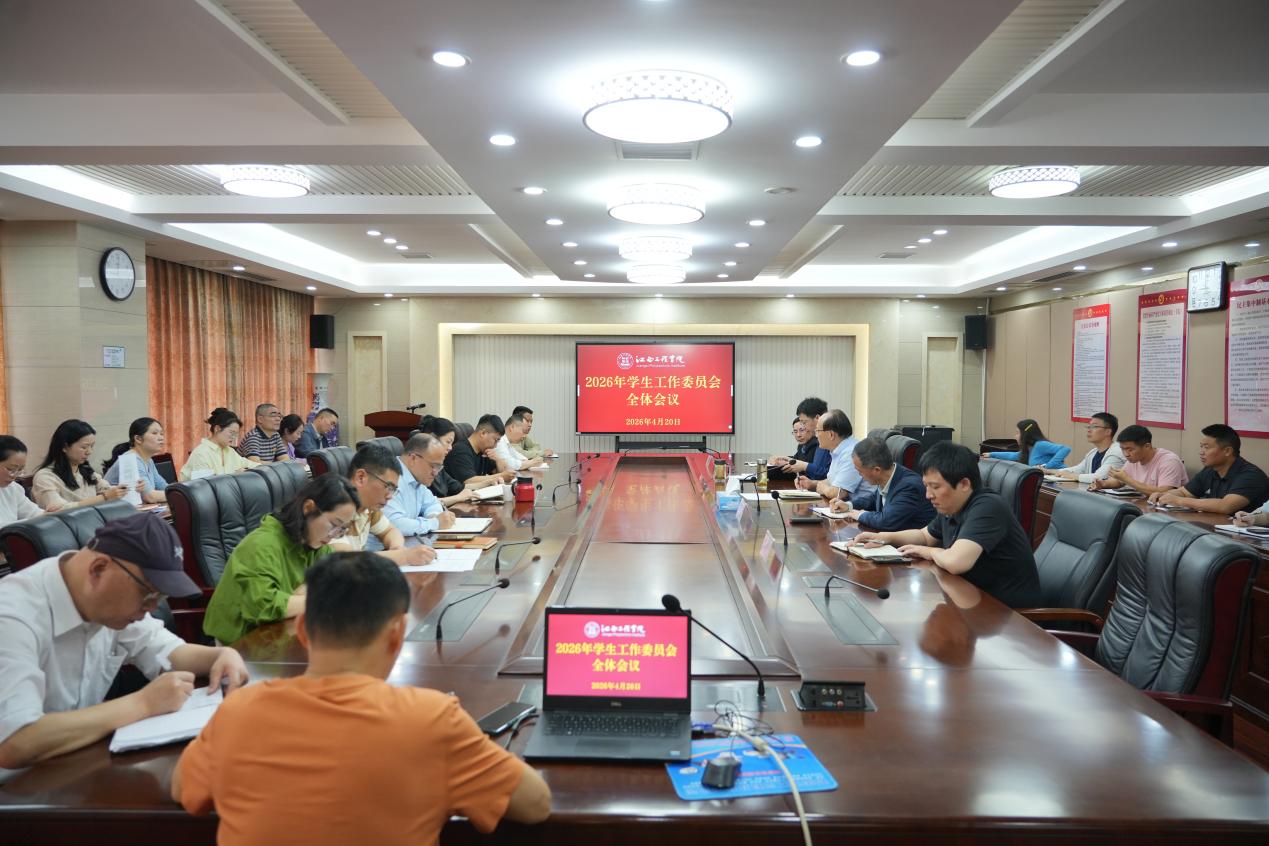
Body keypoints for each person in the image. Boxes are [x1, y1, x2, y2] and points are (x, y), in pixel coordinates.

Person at [172, 552, 551, 842]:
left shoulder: (238, 711)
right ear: (397, 633)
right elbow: (535, 805)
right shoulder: (431, 720)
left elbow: (183, 788)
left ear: (302, 630)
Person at [0, 513, 248, 770]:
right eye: (148, 593)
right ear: (98, 569)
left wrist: (221, 655)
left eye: (160, 597)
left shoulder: (104, 602)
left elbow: (169, 652)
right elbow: (15, 742)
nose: (152, 607)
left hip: (75, 763)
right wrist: (143, 703)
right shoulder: (12, 616)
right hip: (17, 783)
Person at [856, 442, 1043, 608]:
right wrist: (883, 537)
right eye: (926, 486)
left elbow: (956, 562)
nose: (928, 495)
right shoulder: (952, 505)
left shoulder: (988, 507)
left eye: (935, 487)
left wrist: (930, 552)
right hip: (972, 600)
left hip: (1008, 615)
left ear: (964, 484)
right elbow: (925, 536)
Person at [203, 474, 361, 644]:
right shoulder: (262, 545)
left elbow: (335, 574)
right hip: (241, 645)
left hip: (280, 637)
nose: (334, 535)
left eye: (341, 529)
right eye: (334, 524)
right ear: (309, 507)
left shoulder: (312, 543)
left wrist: (307, 591)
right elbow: (265, 607)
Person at [329, 444, 437, 567]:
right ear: (361, 477)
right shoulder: (333, 506)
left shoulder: (368, 509)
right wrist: (405, 556)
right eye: (388, 487)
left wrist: (397, 548)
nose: (390, 496)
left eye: (393, 490)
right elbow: (346, 559)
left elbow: (390, 531)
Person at [1151, 424, 1269, 515]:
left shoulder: (1251, 475)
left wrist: (1178, 501)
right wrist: (1164, 495)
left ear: (1227, 451)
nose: (1201, 452)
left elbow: (1225, 506)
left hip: (1249, 536)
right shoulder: (1210, 470)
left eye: (1206, 447)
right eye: (1201, 447)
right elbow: (1184, 492)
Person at [829, 437, 935, 530]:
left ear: (876, 470)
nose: (859, 475)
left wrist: (860, 515)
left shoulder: (909, 487)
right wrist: (848, 506)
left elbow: (887, 521)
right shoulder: (888, 476)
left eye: (860, 471)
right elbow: (873, 500)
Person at [32, 419, 130, 512]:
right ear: (65, 447)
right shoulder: (45, 477)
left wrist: (127, 489)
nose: (89, 452)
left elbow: (107, 489)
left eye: (91, 446)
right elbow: (58, 510)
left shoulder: (86, 471)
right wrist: (104, 497)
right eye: (84, 447)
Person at [385, 433, 458, 536]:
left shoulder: (416, 477)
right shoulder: (389, 478)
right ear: (413, 458)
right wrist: (435, 523)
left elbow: (432, 503)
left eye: (439, 467)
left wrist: (433, 515)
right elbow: (395, 525)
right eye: (433, 466)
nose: (435, 473)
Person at [796, 409, 874, 501]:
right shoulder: (838, 449)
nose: (816, 436)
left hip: (861, 506)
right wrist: (812, 484)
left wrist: (823, 488)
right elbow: (832, 481)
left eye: (818, 431)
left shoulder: (851, 453)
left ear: (831, 434)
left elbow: (838, 493)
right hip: (845, 505)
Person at [1089, 425, 1188, 494]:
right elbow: (1119, 481)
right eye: (1122, 449)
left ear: (1147, 446)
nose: (1126, 454)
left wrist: (1127, 479)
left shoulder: (1169, 461)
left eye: (1130, 449)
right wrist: (1103, 484)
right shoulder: (1134, 459)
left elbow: (1165, 492)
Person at [417, 416, 485, 506]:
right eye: (448, 442)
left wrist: (489, 483)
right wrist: (458, 498)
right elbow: (425, 504)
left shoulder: (440, 468)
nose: (450, 448)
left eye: (451, 443)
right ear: (432, 438)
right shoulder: (418, 467)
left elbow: (460, 488)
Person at [102, 417, 170, 504]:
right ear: (138, 439)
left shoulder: (149, 460)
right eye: (154, 433)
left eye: (161, 434)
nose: (161, 438)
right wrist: (178, 494)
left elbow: (164, 486)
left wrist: (179, 491)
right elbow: (150, 497)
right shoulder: (131, 460)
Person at [179, 408, 259, 481]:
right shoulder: (201, 453)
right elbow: (206, 487)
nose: (234, 437)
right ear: (217, 429)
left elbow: (254, 466)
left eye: (236, 434)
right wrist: (234, 477)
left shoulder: (229, 451)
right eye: (231, 432)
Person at [1053, 412, 1125, 483]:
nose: (1089, 430)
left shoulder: (1117, 451)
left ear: (1108, 432)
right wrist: (1052, 471)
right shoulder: (1093, 452)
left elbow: (1099, 478)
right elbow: (1079, 469)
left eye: (1094, 427)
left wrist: (1071, 475)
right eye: (1089, 426)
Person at [445, 414, 515, 486]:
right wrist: (501, 476)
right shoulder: (460, 451)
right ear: (483, 433)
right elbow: (468, 481)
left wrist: (498, 459)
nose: (495, 446)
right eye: (495, 440)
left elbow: (500, 472)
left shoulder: (483, 451)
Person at [774, 397, 830, 480]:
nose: (804, 427)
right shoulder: (820, 438)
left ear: (817, 418)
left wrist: (804, 466)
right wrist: (791, 460)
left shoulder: (827, 440)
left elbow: (824, 475)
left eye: (804, 422)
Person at [984, 419, 1070, 469]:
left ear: (1025, 434)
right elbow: (1013, 455)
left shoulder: (1040, 445)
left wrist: (1048, 466)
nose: (1015, 436)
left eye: (1017, 433)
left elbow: (1065, 448)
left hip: (1061, 479)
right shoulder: (1030, 448)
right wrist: (990, 454)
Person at [0, 435, 42, 530]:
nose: (14, 475)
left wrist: (49, 514)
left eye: (20, 469)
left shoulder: (13, 488)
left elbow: (34, 513)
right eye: (10, 469)